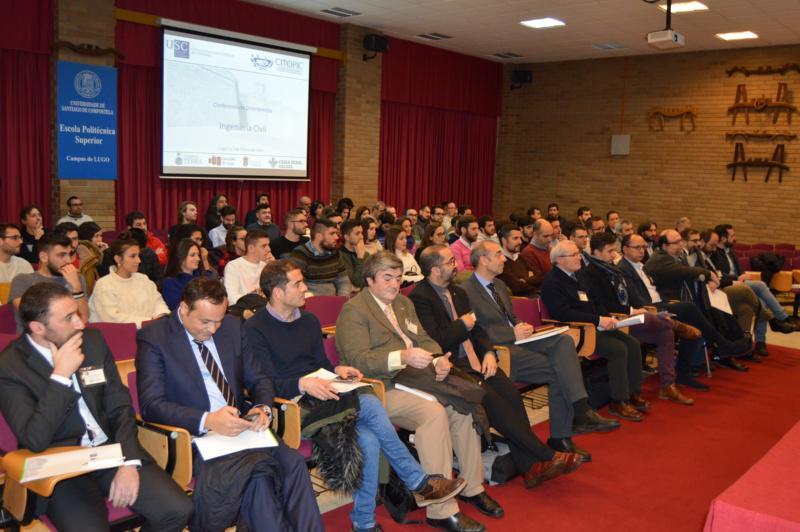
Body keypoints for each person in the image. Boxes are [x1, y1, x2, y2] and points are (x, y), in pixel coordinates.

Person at [246, 260, 465, 531]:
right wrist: (302, 384)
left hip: (323, 392)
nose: (305, 289)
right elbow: (264, 383)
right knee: (370, 402)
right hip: (291, 405)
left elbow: (320, 365)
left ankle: (363, 523)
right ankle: (419, 482)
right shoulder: (255, 328)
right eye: (298, 283)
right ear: (278, 292)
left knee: (369, 440)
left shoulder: (309, 321)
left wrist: (338, 370)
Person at [0, 283, 193, 531]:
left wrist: (129, 462)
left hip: (110, 451)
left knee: (177, 510)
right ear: (38, 328)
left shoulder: (92, 341)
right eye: (68, 318)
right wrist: (60, 377)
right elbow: (35, 439)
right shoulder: (11, 366)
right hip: (61, 467)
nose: (80, 323)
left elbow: (119, 406)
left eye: (77, 313)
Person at [136, 277, 324, 531]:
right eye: (205, 322)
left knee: (293, 463)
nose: (213, 329)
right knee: (259, 477)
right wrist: (208, 420)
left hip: (242, 427)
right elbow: (151, 405)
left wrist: (262, 408)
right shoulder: (155, 337)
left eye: (219, 320)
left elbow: (259, 379)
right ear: (184, 308)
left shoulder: (233, 326)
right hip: (196, 437)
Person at [335, 251, 501, 532]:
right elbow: (358, 360)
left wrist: (437, 359)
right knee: (433, 414)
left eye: (398, 278)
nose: (395, 285)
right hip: (380, 387)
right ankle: (441, 510)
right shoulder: (354, 311)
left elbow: (424, 338)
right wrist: (402, 356)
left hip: (416, 378)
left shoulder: (403, 303)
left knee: (461, 405)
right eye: (387, 278)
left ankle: (472, 487)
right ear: (369, 280)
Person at [411, 245, 586, 477]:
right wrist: (462, 325)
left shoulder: (457, 293)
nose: (456, 266)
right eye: (450, 262)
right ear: (435, 269)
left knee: (511, 395)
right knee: (492, 400)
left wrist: (488, 353)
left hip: (477, 360)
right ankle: (545, 456)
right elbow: (437, 340)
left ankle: (530, 467)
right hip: (451, 364)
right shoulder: (419, 298)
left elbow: (478, 331)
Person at [462, 241, 619, 437]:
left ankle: (579, 411)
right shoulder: (466, 291)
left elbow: (510, 317)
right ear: (483, 260)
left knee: (564, 340)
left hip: (519, 338)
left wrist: (521, 325)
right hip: (501, 348)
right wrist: (512, 333)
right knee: (560, 370)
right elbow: (476, 332)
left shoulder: (500, 285)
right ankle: (570, 425)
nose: (504, 259)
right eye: (498, 255)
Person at [618, 233, 751, 389]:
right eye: (637, 247)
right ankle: (722, 345)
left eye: (643, 247)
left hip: (661, 303)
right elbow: (636, 299)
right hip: (648, 310)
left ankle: (685, 373)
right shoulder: (624, 268)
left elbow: (655, 290)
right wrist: (659, 309)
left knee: (692, 322)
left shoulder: (641, 265)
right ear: (625, 249)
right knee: (690, 309)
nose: (642, 251)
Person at [583, 232, 697, 405]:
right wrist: (633, 310)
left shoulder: (612, 269)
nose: (614, 254)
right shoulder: (591, 273)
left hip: (627, 318)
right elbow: (604, 305)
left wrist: (639, 309)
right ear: (597, 252)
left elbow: (631, 296)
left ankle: (667, 386)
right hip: (613, 322)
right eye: (610, 251)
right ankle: (675, 324)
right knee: (648, 317)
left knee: (665, 334)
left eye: (614, 250)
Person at [542, 241, 647, 422]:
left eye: (578, 253)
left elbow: (596, 302)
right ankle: (618, 401)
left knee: (632, 343)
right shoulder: (552, 282)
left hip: (596, 325)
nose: (579, 258)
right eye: (574, 255)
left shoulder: (579, 276)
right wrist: (598, 320)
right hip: (576, 331)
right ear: (559, 260)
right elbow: (563, 313)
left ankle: (633, 392)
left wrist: (608, 318)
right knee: (618, 349)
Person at [10, 232, 88, 332]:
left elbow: (84, 318)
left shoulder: (77, 279)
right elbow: (31, 314)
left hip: (71, 335)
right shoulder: (23, 280)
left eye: (70, 254)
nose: (69, 261)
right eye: (62, 255)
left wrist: (77, 288)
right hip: (35, 337)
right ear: (44, 257)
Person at [88, 238, 169, 327]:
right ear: (118, 259)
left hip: (150, 328)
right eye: (133, 256)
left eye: (138, 255)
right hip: (119, 333)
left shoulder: (143, 279)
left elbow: (158, 302)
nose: (139, 260)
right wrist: (150, 321)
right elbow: (113, 318)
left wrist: (161, 316)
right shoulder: (104, 285)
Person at [289, 218, 351, 296]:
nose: (336, 237)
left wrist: (342, 298)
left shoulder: (335, 253)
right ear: (319, 236)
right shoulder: (301, 254)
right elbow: (297, 285)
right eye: (332, 234)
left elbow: (343, 280)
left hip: (334, 300)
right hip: (310, 299)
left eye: (336, 233)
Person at [160, 238, 218, 311]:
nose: (198, 259)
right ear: (180, 257)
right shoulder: (170, 283)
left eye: (198, 255)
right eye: (192, 255)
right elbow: (178, 309)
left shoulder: (203, 276)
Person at [224, 229, 273, 305]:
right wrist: (256, 300)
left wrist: (273, 266)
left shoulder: (265, 266)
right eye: (264, 246)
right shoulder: (233, 266)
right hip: (244, 309)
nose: (269, 249)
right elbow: (231, 297)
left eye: (268, 245)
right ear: (251, 248)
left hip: (264, 307)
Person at [497, 224, 542, 297]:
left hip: (535, 295)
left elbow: (539, 276)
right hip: (521, 300)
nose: (520, 242)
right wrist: (530, 277)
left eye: (520, 238)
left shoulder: (519, 257)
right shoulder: (500, 261)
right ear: (504, 240)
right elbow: (517, 287)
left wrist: (525, 280)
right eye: (515, 238)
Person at [75, 222, 107, 295]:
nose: (100, 239)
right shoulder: (82, 248)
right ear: (87, 236)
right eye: (96, 236)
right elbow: (92, 263)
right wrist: (100, 252)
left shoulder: (93, 248)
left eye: (101, 235)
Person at [340, 219, 368, 290]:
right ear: (347, 237)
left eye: (361, 233)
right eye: (357, 233)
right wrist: (360, 258)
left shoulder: (366, 254)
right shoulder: (340, 256)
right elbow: (357, 282)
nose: (361, 237)